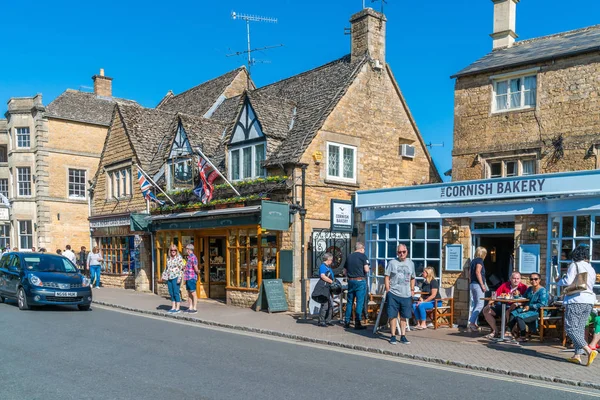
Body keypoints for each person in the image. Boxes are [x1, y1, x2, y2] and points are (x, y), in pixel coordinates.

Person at [557, 244, 598, 366]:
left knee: (570, 328)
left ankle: (589, 351)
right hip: (589, 300)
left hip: (576, 300)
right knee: (579, 328)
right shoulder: (591, 268)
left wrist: (559, 280)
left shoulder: (574, 265)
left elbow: (568, 281)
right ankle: (577, 355)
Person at [482, 271, 529, 338]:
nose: (516, 280)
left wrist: (518, 303)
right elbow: (495, 295)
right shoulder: (505, 285)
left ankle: (509, 332)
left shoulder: (523, 287)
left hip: (515, 306)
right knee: (486, 310)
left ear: (520, 279)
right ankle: (495, 331)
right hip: (503, 305)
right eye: (514, 278)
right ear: (510, 279)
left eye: (517, 278)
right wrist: (489, 304)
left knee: (509, 312)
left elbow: (526, 300)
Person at [385, 244, 415, 345]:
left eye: (403, 252)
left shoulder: (411, 263)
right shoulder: (392, 263)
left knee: (404, 316)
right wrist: (388, 290)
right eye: (399, 252)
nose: (401, 254)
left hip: (406, 294)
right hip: (394, 293)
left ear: (407, 252)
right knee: (392, 315)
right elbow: (387, 276)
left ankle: (403, 336)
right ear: (397, 253)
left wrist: (412, 289)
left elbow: (413, 277)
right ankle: (393, 336)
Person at [507, 273, 548, 342]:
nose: (533, 281)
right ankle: (508, 333)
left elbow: (542, 304)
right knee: (513, 313)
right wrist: (517, 295)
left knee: (520, 317)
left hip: (537, 311)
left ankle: (523, 336)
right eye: (531, 279)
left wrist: (530, 306)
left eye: (536, 279)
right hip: (527, 309)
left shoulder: (542, 291)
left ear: (539, 280)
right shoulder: (529, 289)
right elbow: (524, 298)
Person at [343, 242, 370, 330]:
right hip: (360, 281)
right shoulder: (363, 256)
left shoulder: (349, 256)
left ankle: (346, 321)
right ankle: (357, 322)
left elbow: (344, 272)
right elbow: (366, 269)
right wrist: (367, 268)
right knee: (359, 302)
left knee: (350, 301)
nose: (364, 251)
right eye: (364, 249)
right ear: (361, 248)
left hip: (351, 281)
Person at [468, 246, 488, 332]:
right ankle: (472, 322)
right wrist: (482, 285)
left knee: (476, 304)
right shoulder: (480, 261)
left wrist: (471, 282)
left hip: (472, 284)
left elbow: (469, 274)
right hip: (477, 285)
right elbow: (478, 272)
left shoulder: (473, 261)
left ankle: (473, 323)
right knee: (480, 304)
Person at [317, 253, 335, 327]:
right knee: (325, 305)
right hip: (324, 288)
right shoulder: (323, 266)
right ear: (328, 259)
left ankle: (328, 320)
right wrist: (332, 281)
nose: (332, 261)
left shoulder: (328, 267)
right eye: (331, 260)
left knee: (330, 304)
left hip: (329, 288)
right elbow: (323, 276)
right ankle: (321, 321)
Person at [165, 245, 184, 313]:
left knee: (176, 292)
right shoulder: (168, 258)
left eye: (175, 250)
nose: (173, 251)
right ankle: (173, 307)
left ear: (177, 251)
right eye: (172, 250)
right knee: (171, 292)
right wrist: (164, 275)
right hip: (169, 277)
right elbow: (167, 268)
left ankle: (177, 308)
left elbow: (182, 268)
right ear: (169, 251)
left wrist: (180, 277)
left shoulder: (179, 258)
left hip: (176, 276)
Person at [184, 244, 199, 314]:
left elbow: (195, 268)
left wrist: (198, 272)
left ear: (189, 250)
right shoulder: (189, 257)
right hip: (187, 277)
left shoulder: (193, 257)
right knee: (189, 292)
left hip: (192, 277)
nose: (186, 250)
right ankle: (190, 307)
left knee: (193, 293)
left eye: (187, 249)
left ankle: (194, 308)